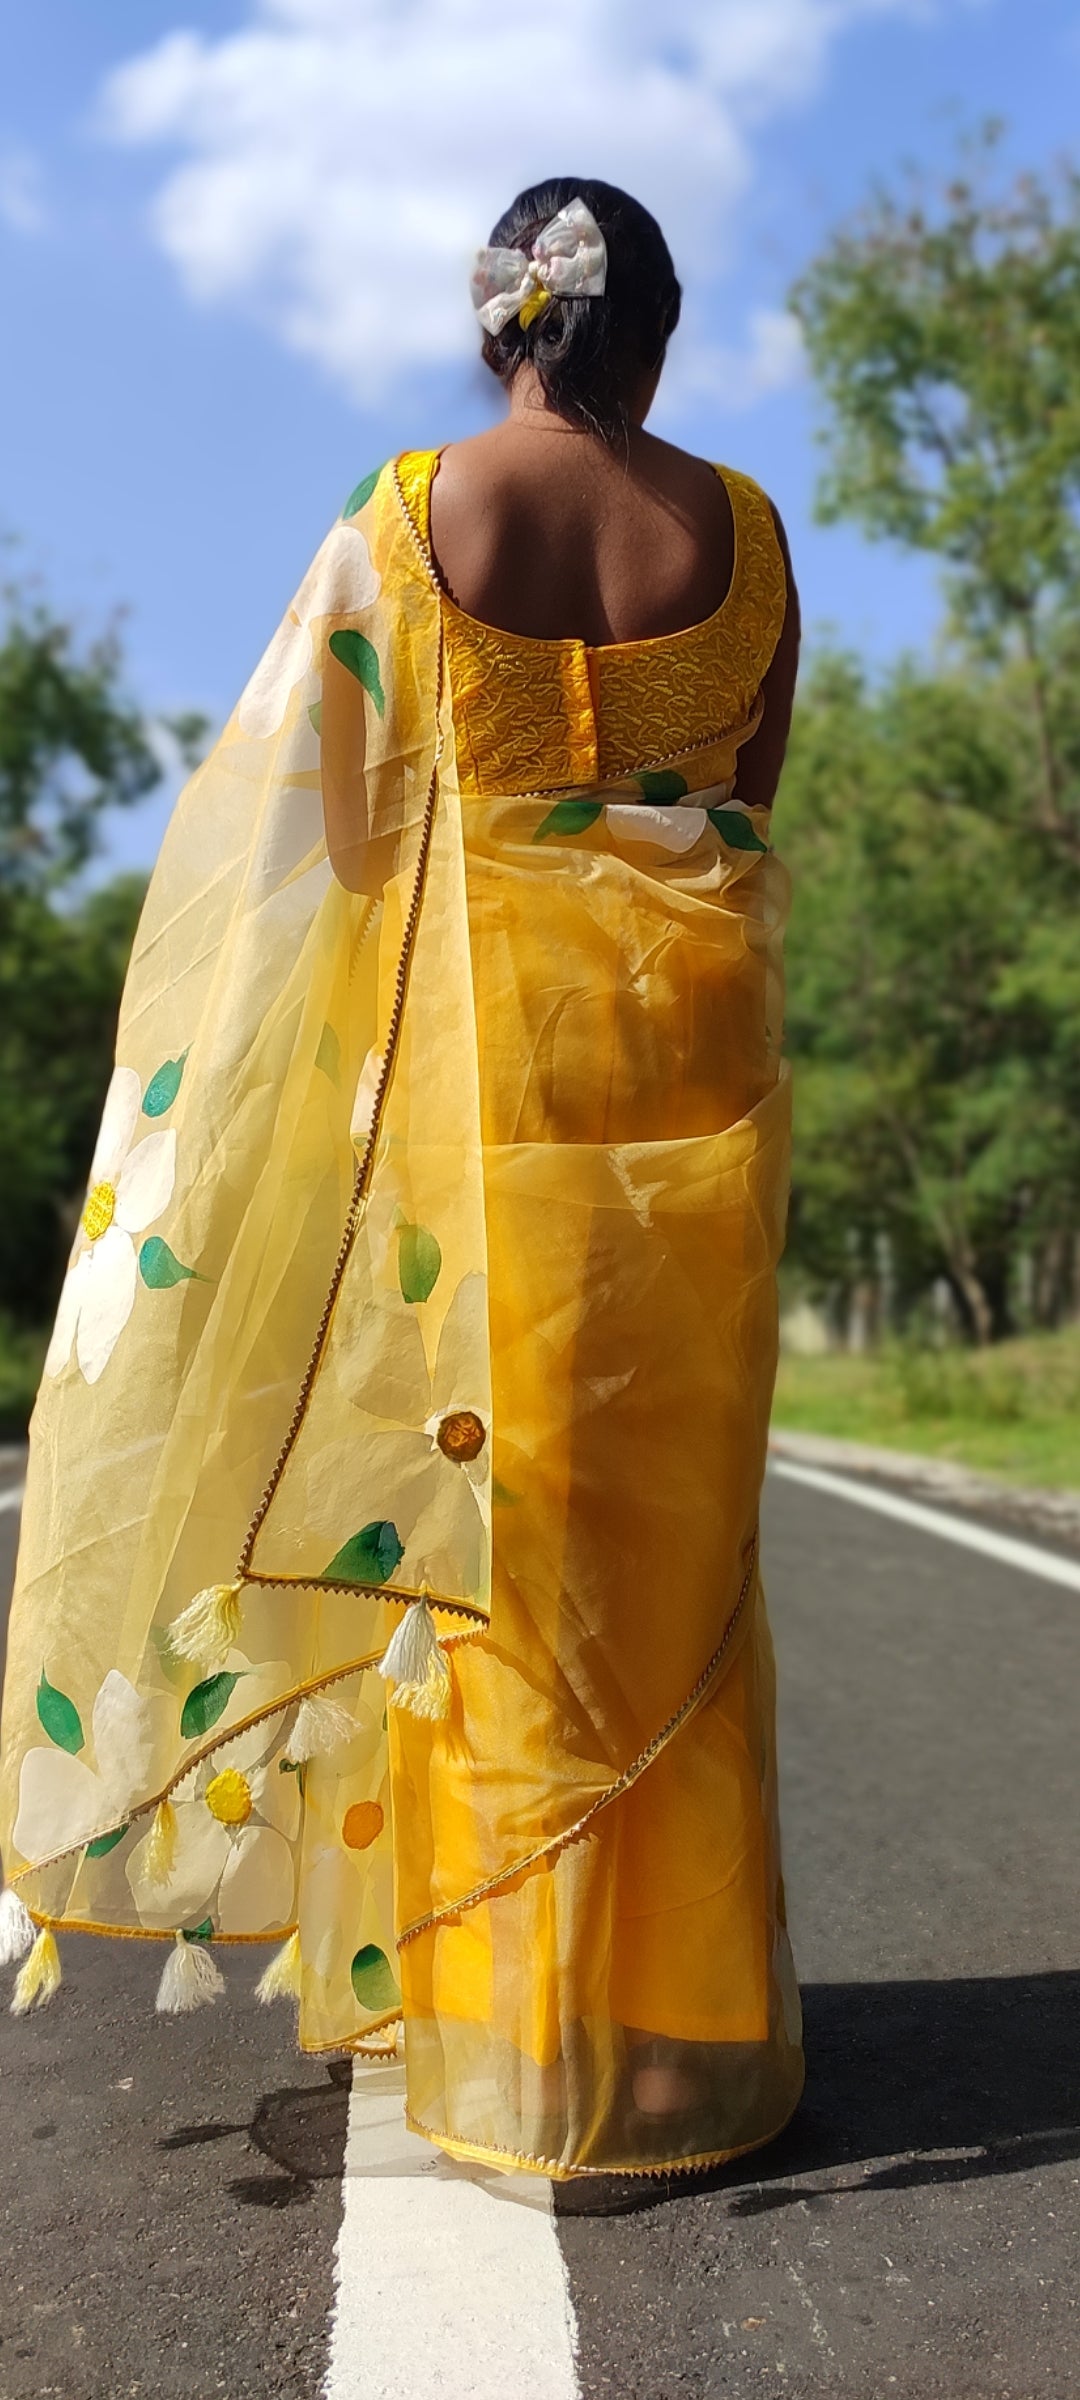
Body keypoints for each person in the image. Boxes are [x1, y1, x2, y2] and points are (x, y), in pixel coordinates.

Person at [0, 178, 803, 2188]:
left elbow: (333, 830)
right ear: (660, 332)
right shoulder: (752, 533)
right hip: (697, 1076)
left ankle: (527, 2040)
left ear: (497, 324)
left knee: (495, 1539)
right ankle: (689, 2039)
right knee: (667, 1548)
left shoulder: (409, 513)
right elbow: (744, 806)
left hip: (478, 1069)